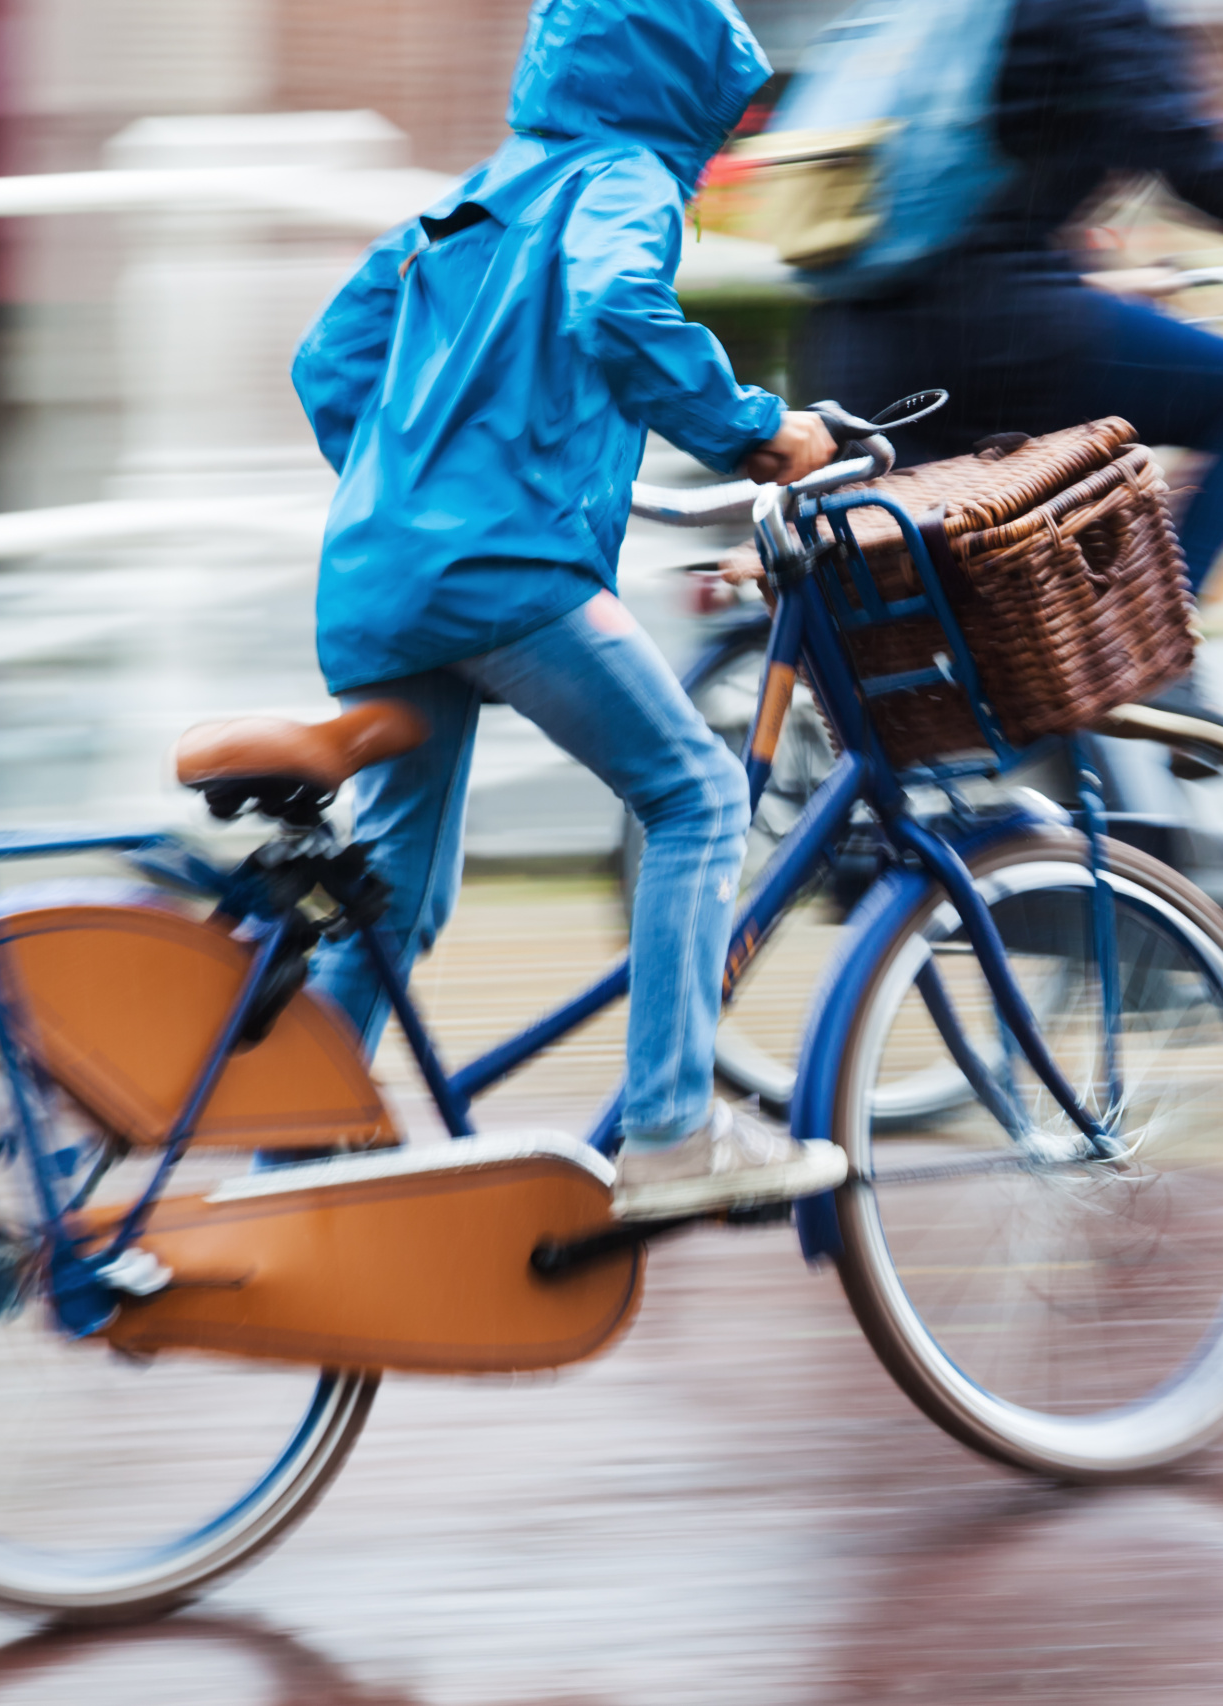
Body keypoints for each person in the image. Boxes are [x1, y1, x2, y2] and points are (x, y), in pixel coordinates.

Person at [288, 0, 845, 1223]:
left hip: (383, 583)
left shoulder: (482, 192)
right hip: (508, 575)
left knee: (398, 881)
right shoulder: (624, 177)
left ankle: (288, 1148)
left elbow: (327, 362)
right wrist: (758, 431)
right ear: (679, 78)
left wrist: (415, 492)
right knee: (697, 796)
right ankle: (669, 1132)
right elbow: (615, 311)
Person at [797, 0, 1223, 772]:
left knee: (997, 641)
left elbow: (981, 177)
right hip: (984, 332)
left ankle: (977, 853)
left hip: (859, 338)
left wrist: (1089, 275)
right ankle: (1152, 656)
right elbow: (1196, 163)